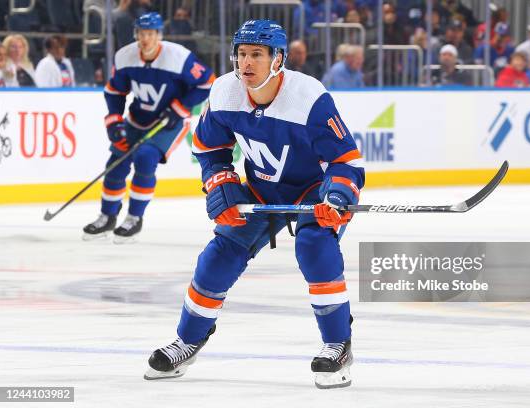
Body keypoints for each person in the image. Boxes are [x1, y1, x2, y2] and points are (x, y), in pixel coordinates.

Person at [145, 19, 364, 390]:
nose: (246, 63)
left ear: (277, 59)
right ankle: (189, 339)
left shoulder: (308, 97)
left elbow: (345, 161)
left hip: (312, 191)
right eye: (242, 54)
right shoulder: (224, 91)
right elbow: (209, 148)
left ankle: (337, 344)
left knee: (315, 247)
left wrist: (338, 196)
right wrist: (221, 182)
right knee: (220, 253)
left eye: (257, 55)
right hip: (262, 189)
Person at [82, 12, 215, 243]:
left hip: (169, 123)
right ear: (136, 34)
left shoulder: (179, 57)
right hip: (136, 119)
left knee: (145, 157)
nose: (146, 39)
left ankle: (134, 218)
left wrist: (180, 108)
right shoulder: (125, 56)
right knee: (116, 163)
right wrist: (114, 120)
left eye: (151, 34)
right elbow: (115, 91)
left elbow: (207, 82)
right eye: (142, 34)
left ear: (159, 35)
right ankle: (107, 216)